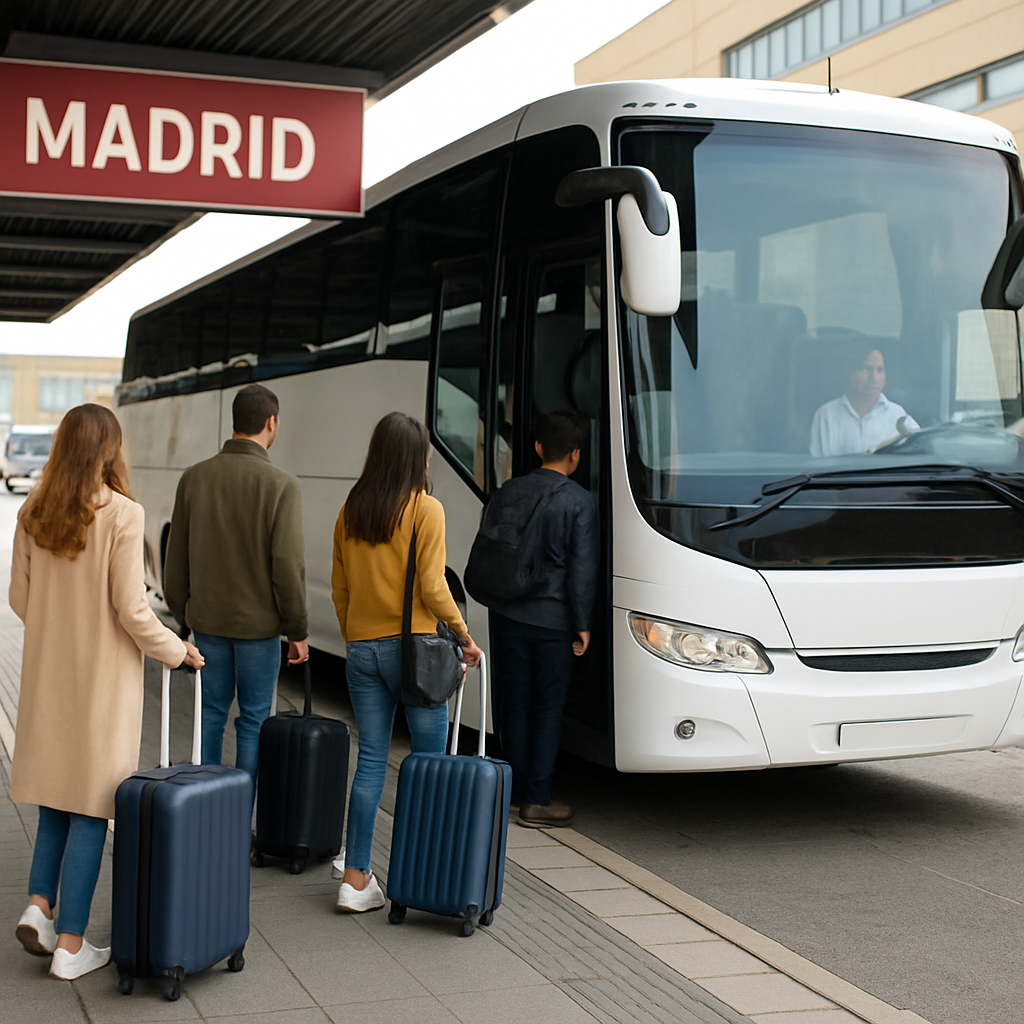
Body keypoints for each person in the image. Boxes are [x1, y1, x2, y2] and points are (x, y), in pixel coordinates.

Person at [9, 404, 204, 980]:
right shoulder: (123, 513)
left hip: (49, 680)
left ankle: (39, 906)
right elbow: (131, 608)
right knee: (92, 809)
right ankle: (71, 945)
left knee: (54, 801)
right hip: (99, 685)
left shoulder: (32, 512)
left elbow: (20, 600)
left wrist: (57, 625)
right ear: (110, 450)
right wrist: (177, 650)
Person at [331, 411, 482, 912]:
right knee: (427, 765)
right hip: (416, 652)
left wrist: (357, 633)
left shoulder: (351, 508)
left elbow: (340, 588)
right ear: (417, 458)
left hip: (360, 649)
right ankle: (420, 874)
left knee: (371, 760)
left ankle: (355, 881)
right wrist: (464, 637)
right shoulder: (425, 509)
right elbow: (433, 586)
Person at [164, 383, 308, 801]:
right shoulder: (282, 485)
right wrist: (296, 629)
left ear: (234, 422)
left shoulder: (194, 478)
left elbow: (176, 563)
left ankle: (205, 813)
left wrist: (186, 615)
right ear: (271, 422)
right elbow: (287, 567)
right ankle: (237, 821)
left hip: (207, 626)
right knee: (253, 722)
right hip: (260, 632)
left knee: (209, 716)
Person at [469, 410, 598, 829]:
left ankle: (510, 790)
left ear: (538, 447)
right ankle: (537, 799)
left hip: (506, 614)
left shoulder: (508, 491)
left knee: (514, 703)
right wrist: (582, 623)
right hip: (552, 621)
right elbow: (582, 568)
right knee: (547, 707)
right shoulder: (579, 501)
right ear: (576, 455)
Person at [810, 347, 919, 456]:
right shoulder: (826, 415)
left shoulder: (897, 415)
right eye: (866, 369)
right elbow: (816, 468)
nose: (874, 378)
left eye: (880, 370)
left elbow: (919, 453)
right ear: (849, 372)